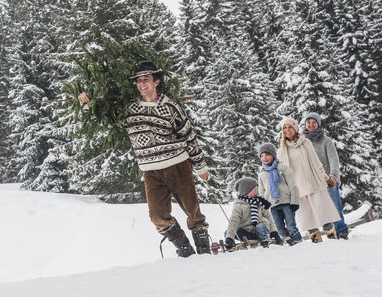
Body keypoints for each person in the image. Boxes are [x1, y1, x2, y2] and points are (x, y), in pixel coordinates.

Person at [78, 61, 210, 257]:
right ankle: (186, 251)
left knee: (193, 212)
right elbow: (103, 119)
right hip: (150, 170)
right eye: (139, 81)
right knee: (157, 216)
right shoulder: (129, 108)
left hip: (178, 164)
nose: (142, 84)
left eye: (146, 80)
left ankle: (204, 251)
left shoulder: (171, 106)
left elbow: (189, 136)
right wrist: (87, 102)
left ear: (156, 82)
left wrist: (200, 167)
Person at [277, 118, 340, 243]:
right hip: (298, 188)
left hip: (314, 183)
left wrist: (326, 178)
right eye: (284, 128)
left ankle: (334, 241)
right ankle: (316, 243)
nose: (287, 130)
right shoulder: (281, 151)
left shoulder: (306, 143)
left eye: (290, 127)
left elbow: (317, 163)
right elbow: (282, 173)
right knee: (308, 218)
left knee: (324, 214)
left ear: (295, 129)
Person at [304, 112, 349, 239]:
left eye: (314, 122)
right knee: (317, 208)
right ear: (305, 124)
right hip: (312, 181)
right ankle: (327, 233)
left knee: (334, 206)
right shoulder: (303, 142)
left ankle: (341, 232)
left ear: (318, 124)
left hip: (328, 179)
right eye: (309, 122)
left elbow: (334, 159)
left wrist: (333, 175)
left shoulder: (326, 141)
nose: (311, 125)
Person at [258, 142, 302, 245]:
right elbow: (261, 191)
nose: (265, 158)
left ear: (273, 155)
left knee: (291, 225)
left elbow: (292, 185)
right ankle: (289, 241)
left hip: (286, 202)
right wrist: (263, 204)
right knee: (279, 227)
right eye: (262, 156)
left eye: (267, 154)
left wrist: (295, 201)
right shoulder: (262, 173)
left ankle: (298, 242)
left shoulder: (282, 167)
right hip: (272, 205)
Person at [224, 177, 281, 249]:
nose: (256, 192)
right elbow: (234, 221)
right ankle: (230, 245)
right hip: (246, 233)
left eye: (257, 189)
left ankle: (266, 241)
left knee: (260, 226)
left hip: (261, 231)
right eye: (254, 190)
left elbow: (269, 218)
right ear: (246, 191)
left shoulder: (260, 202)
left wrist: (274, 232)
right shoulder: (238, 205)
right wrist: (230, 237)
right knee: (228, 232)